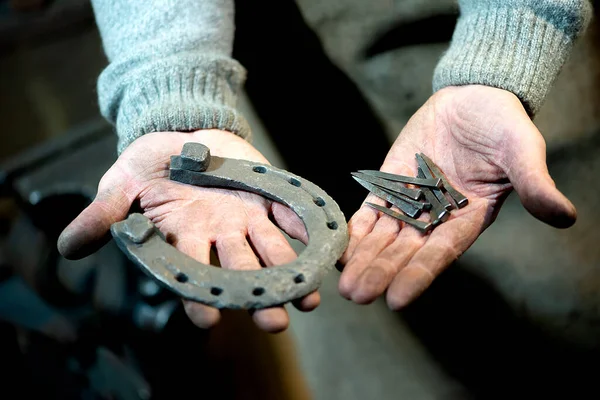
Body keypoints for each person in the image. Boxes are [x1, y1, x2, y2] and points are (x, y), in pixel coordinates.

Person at [58, 0, 592, 333]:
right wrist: (169, 89)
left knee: (558, 297)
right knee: (364, 334)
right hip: (273, 45)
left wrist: (508, 45)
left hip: (465, 26)